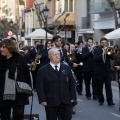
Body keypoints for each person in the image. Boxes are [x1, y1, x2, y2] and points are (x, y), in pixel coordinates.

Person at [36, 48, 77, 120]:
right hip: (51, 101)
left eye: (58, 54)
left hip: (65, 101)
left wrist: (73, 97)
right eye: (55, 55)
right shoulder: (42, 70)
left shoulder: (66, 67)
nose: (57, 56)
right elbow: (40, 87)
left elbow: (72, 83)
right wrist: (42, 99)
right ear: (49, 56)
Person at [0, 39, 31, 120]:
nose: (1, 49)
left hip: (19, 93)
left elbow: (27, 75)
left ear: (10, 48)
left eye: (4, 47)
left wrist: (28, 91)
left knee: (18, 116)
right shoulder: (0, 59)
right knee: (4, 116)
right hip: (2, 94)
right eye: (0, 47)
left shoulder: (21, 59)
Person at [93, 37, 115, 106]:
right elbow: (95, 59)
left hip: (107, 71)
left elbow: (112, 58)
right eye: (102, 43)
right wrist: (102, 53)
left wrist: (109, 52)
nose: (104, 44)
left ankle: (110, 101)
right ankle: (101, 100)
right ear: (100, 43)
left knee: (108, 86)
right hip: (99, 71)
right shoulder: (97, 50)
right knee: (100, 87)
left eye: (105, 43)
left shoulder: (108, 49)